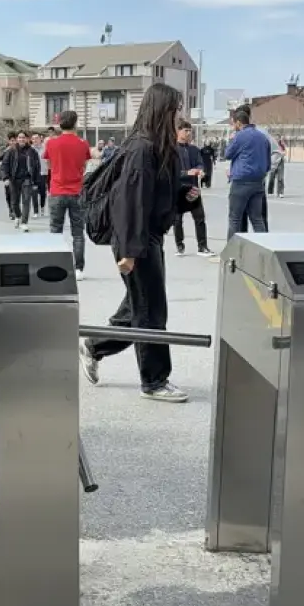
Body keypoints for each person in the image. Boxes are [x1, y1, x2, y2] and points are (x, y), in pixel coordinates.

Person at [79, 83, 191, 403]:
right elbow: (129, 202)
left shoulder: (158, 146)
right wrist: (129, 251)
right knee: (151, 309)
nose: (178, 115)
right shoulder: (142, 148)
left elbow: (156, 198)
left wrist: (184, 197)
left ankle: (95, 345)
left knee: (138, 305)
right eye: (175, 108)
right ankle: (154, 381)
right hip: (136, 239)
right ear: (161, 110)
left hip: (147, 236)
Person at [46, 111, 91, 279]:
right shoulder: (83, 143)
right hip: (76, 191)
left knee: (55, 230)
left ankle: (55, 265)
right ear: (75, 124)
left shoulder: (51, 143)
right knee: (78, 232)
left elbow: (50, 165)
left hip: (57, 190)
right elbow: (84, 165)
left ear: (59, 124)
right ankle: (79, 268)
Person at [223, 106, 270, 238]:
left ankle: (232, 253)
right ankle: (264, 249)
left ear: (238, 122)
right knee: (257, 219)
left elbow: (227, 154)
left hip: (241, 181)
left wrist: (232, 139)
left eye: (233, 124)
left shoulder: (240, 136)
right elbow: (267, 162)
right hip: (258, 182)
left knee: (235, 219)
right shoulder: (263, 137)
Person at [171, 119, 211, 256]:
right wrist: (186, 173)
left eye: (190, 131)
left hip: (193, 188)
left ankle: (202, 246)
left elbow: (200, 164)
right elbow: (170, 170)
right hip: (178, 188)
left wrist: (200, 171)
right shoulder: (172, 150)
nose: (188, 134)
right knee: (177, 220)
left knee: (199, 217)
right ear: (178, 131)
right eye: (185, 131)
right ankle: (179, 246)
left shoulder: (194, 150)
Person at [0, 131, 41, 231]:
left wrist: (36, 182)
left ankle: (24, 222)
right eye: (20, 137)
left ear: (27, 139)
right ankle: (18, 216)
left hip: (27, 179)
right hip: (14, 179)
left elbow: (37, 167)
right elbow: (5, 165)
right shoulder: (11, 151)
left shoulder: (32, 152)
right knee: (14, 202)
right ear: (17, 139)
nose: (22, 139)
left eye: (24, 137)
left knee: (26, 201)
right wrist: (5, 178)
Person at [31, 132, 48, 216]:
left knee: (43, 192)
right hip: (33, 174)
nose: (35, 140)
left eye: (36, 138)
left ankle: (42, 207)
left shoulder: (45, 149)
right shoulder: (30, 149)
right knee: (33, 192)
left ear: (40, 139)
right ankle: (35, 211)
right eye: (33, 139)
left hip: (43, 173)